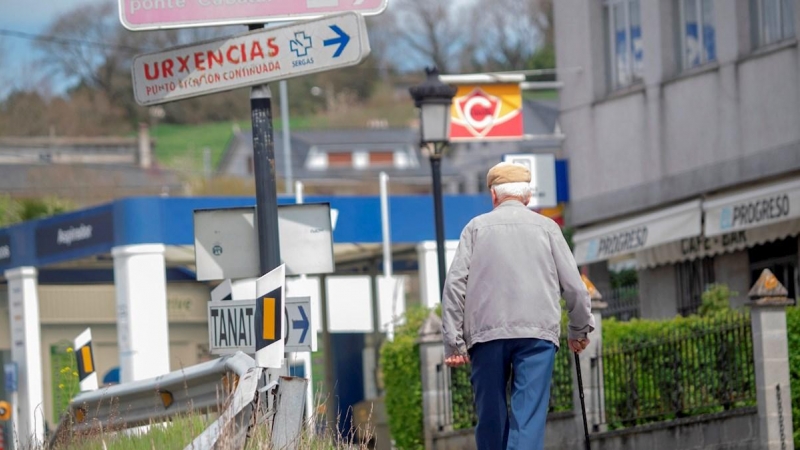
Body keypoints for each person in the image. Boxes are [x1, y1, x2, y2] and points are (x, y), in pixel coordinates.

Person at [441, 161, 595, 450]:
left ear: (494, 196)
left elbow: (455, 286)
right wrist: (579, 330)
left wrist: (454, 342)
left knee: (491, 415)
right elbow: (574, 286)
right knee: (528, 418)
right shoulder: (548, 228)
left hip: (486, 333)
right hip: (537, 334)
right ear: (527, 197)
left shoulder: (475, 229)